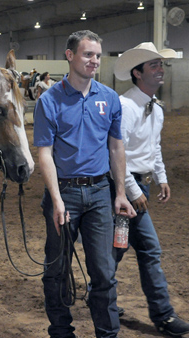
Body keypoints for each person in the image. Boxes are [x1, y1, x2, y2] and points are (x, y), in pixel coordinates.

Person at [33, 30, 136, 338]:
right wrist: (57, 199)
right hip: (63, 194)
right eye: (88, 54)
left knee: (104, 272)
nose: (94, 61)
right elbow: (45, 154)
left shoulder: (109, 98)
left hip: (100, 194)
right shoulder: (49, 101)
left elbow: (116, 148)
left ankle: (108, 334)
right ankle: (62, 332)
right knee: (56, 270)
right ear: (70, 56)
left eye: (98, 56)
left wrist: (120, 193)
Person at [113, 42, 189, 336]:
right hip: (125, 189)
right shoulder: (125, 106)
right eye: (154, 66)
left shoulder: (156, 109)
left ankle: (98, 294)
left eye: (161, 65)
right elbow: (115, 152)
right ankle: (164, 316)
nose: (161, 70)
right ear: (137, 73)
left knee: (117, 248)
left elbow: (154, 147)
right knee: (149, 249)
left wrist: (161, 177)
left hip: (140, 187)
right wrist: (132, 190)